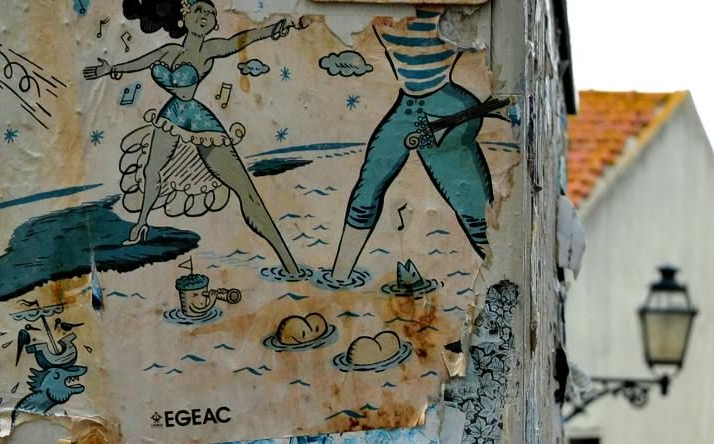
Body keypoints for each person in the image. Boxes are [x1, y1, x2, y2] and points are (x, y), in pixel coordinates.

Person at [83, 0, 305, 277]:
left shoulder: (212, 49)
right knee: (151, 171)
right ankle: (141, 223)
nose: (206, 17)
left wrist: (274, 28)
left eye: (211, 14)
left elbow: (239, 41)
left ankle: (288, 260)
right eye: (199, 10)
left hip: (200, 122)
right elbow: (139, 63)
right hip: (171, 117)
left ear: (214, 23)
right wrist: (110, 68)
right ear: (184, 18)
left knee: (245, 189)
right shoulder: (168, 51)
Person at [328, 6, 497, 283]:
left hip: (442, 108)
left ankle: (497, 274)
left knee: (468, 202)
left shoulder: (434, 11)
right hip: (410, 108)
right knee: (367, 189)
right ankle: (338, 277)